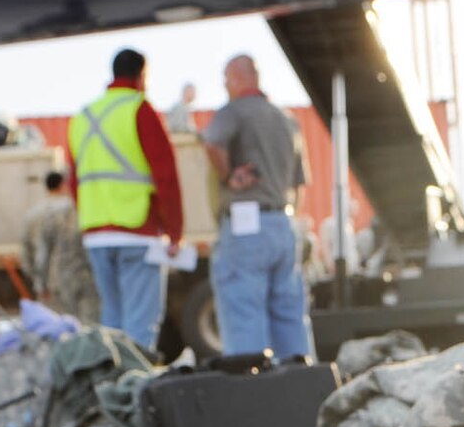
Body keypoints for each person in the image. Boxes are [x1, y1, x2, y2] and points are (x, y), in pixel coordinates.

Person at [66, 48, 183, 349]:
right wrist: (175, 231)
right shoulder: (139, 109)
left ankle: (114, 385)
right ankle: (136, 388)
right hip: (137, 230)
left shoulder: (83, 117)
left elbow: (75, 178)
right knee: (140, 321)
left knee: (113, 320)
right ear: (142, 75)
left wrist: (90, 218)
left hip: (95, 233)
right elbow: (165, 174)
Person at [203, 54, 313, 360]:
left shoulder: (232, 113)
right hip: (282, 223)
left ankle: (251, 387)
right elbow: (299, 182)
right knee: (289, 314)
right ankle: (298, 379)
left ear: (238, 79)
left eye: (226, 80)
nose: (225, 86)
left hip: (245, 224)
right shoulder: (286, 119)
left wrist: (228, 175)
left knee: (243, 312)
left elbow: (211, 143)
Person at [19, 171, 100, 323]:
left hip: (51, 283)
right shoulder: (78, 208)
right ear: (64, 185)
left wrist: (39, 282)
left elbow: (28, 252)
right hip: (84, 279)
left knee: (58, 330)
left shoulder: (32, 213)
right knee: (89, 330)